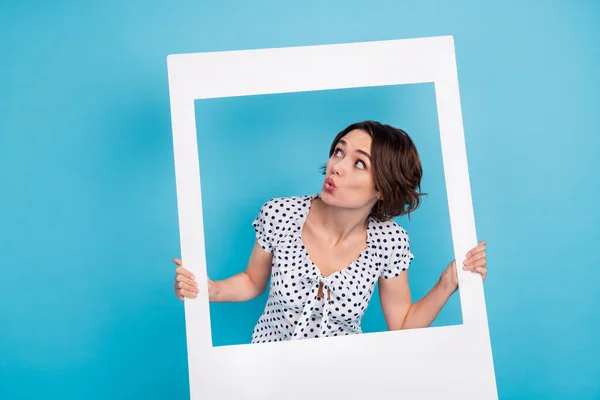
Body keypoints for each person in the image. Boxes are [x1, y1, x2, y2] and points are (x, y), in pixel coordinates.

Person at [173, 120, 488, 343]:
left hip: (342, 379)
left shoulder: (390, 242)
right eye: (339, 151)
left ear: (382, 189)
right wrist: (209, 290)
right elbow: (253, 282)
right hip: (268, 375)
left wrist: (448, 283)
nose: (337, 166)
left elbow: (403, 326)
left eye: (359, 164)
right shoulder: (280, 214)